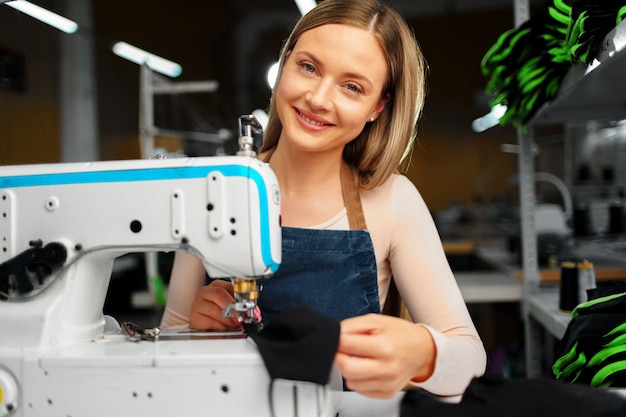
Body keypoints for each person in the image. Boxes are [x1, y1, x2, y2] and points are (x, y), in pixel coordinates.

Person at [161, 0, 486, 399]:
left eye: (352, 87)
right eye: (309, 67)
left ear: (377, 107)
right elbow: (167, 341)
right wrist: (195, 329)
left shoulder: (390, 201)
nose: (318, 98)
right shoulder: (217, 188)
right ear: (285, 64)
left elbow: (471, 357)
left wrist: (423, 352)